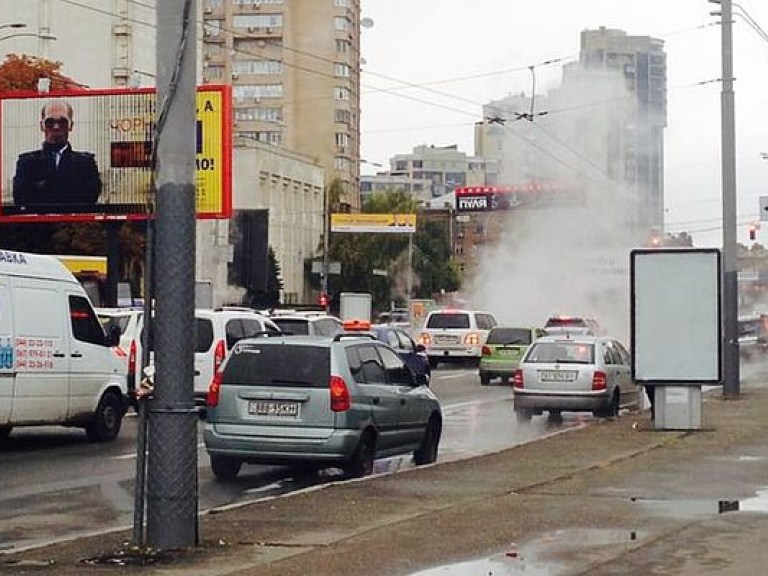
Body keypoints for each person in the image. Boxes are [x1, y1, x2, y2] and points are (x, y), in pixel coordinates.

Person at [12, 99, 102, 211]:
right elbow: (21, 199)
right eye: (50, 122)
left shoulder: (86, 163)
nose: (56, 127)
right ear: (42, 126)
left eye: (62, 122)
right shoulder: (26, 163)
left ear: (71, 125)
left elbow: (89, 199)